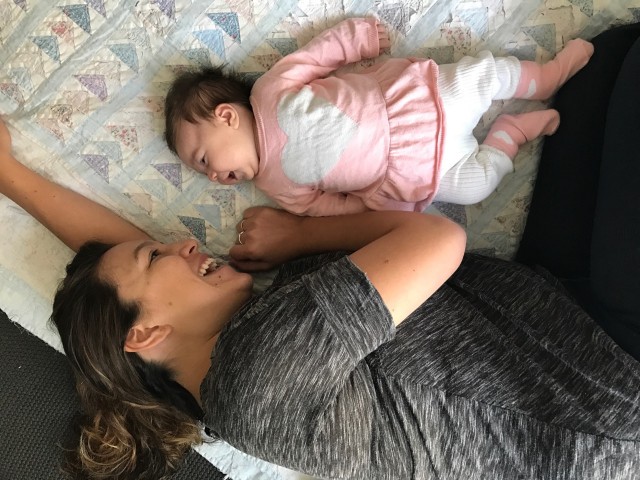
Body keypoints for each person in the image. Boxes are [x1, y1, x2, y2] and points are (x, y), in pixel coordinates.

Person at [0, 25, 639, 480]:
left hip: (548, 320)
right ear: (146, 334)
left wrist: (10, 175)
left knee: (607, 59)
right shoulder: (260, 370)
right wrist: (298, 237)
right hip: (607, 391)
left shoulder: (232, 380)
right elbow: (439, 239)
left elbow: (113, 260)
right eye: (156, 256)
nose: (185, 242)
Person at [164, 17, 594, 216]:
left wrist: (358, 38)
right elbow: (320, 207)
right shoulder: (273, 186)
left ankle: (544, 79)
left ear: (226, 116)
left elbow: (315, 57)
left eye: (203, 160)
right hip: (409, 173)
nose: (212, 177)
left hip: (411, 106)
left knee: (479, 77)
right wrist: (365, 205)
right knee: (474, 187)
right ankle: (510, 134)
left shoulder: (269, 92)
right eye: (204, 174)